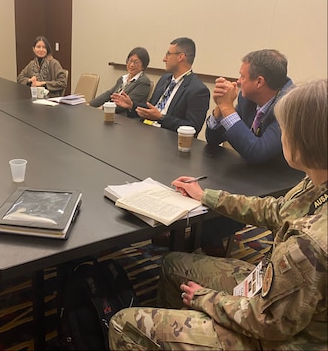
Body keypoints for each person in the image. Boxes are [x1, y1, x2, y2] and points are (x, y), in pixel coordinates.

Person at [109, 79, 327, 350]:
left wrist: (205, 299)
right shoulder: (317, 182)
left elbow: (267, 321)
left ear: (303, 141)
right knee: (173, 263)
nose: (281, 135)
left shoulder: (311, 241)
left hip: (283, 337)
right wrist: (205, 196)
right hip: (274, 292)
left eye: (285, 130)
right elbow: (275, 210)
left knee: (123, 324)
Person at [202, 49, 294, 255]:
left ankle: (202, 238)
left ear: (259, 81)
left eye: (242, 76)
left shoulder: (289, 105)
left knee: (233, 192)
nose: (238, 81)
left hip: (280, 179)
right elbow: (213, 138)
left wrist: (227, 107)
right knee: (211, 180)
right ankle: (205, 236)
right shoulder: (247, 98)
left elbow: (256, 152)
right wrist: (219, 108)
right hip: (250, 169)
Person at [112, 37, 209, 134]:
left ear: (181, 57)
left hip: (168, 140)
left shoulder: (198, 90)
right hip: (147, 131)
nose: (164, 59)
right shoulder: (165, 79)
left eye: (168, 54)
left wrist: (161, 117)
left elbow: (192, 127)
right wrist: (131, 105)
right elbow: (151, 107)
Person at [89, 47, 151, 113]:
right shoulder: (123, 78)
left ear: (143, 65)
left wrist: (102, 109)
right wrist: (90, 104)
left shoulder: (144, 82)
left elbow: (125, 104)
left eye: (136, 62)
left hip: (124, 117)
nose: (132, 65)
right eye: (130, 61)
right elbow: (109, 94)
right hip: (111, 112)